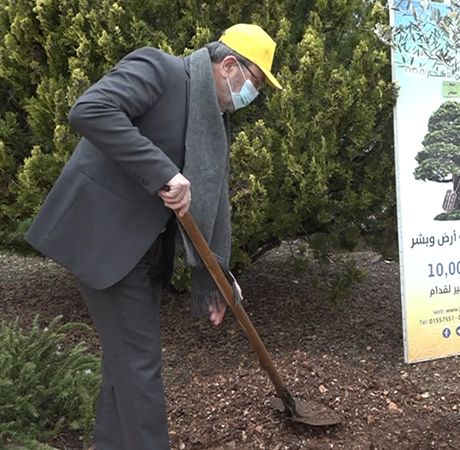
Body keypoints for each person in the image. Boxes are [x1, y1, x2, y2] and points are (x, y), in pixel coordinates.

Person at [25, 23, 282, 449]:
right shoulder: (159, 70)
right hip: (103, 239)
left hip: (143, 254)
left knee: (124, 369)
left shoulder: (212, 122)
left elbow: (207, 207)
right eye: (254, 82)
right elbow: (89, 109)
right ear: (230, 65)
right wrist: (163, 171)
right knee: (139, 367)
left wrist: (217, 276)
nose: (252, 96)